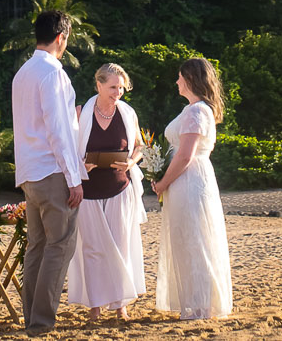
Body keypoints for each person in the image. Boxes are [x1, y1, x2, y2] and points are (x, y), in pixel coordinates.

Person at [10, 10, 86, 335]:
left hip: (29, 171)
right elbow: (58, 130)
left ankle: (32, 318)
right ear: (60, 38)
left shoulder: (22, 73)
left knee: (37, 246)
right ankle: (41, 322)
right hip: (52, 170)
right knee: (61, 244)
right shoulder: (53, 73)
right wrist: (74, 177)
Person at [150, 57, 233, 320]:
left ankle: (201, 305)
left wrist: (163, 183)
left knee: (195, 240)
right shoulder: (194, 109)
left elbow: (185, 155)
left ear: (190, 79)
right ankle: (195, 302)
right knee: (188, 239)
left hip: (190, 179)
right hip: (187, 179)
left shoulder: (196, 111)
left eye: (179, 76)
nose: (176, 81)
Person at [65, 62, 147, 320]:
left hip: (119, 188)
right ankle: (95, 306)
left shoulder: (128, 113)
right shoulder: (80, 113)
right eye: (113, 87)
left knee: (120, 246)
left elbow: (139, 146)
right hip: (88, 192)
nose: (118, 93)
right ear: (98, 85)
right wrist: (81, 165)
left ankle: (120, 305)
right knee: (92, 250)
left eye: (121, 88)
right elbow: (66, 149)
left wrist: (130, 162)